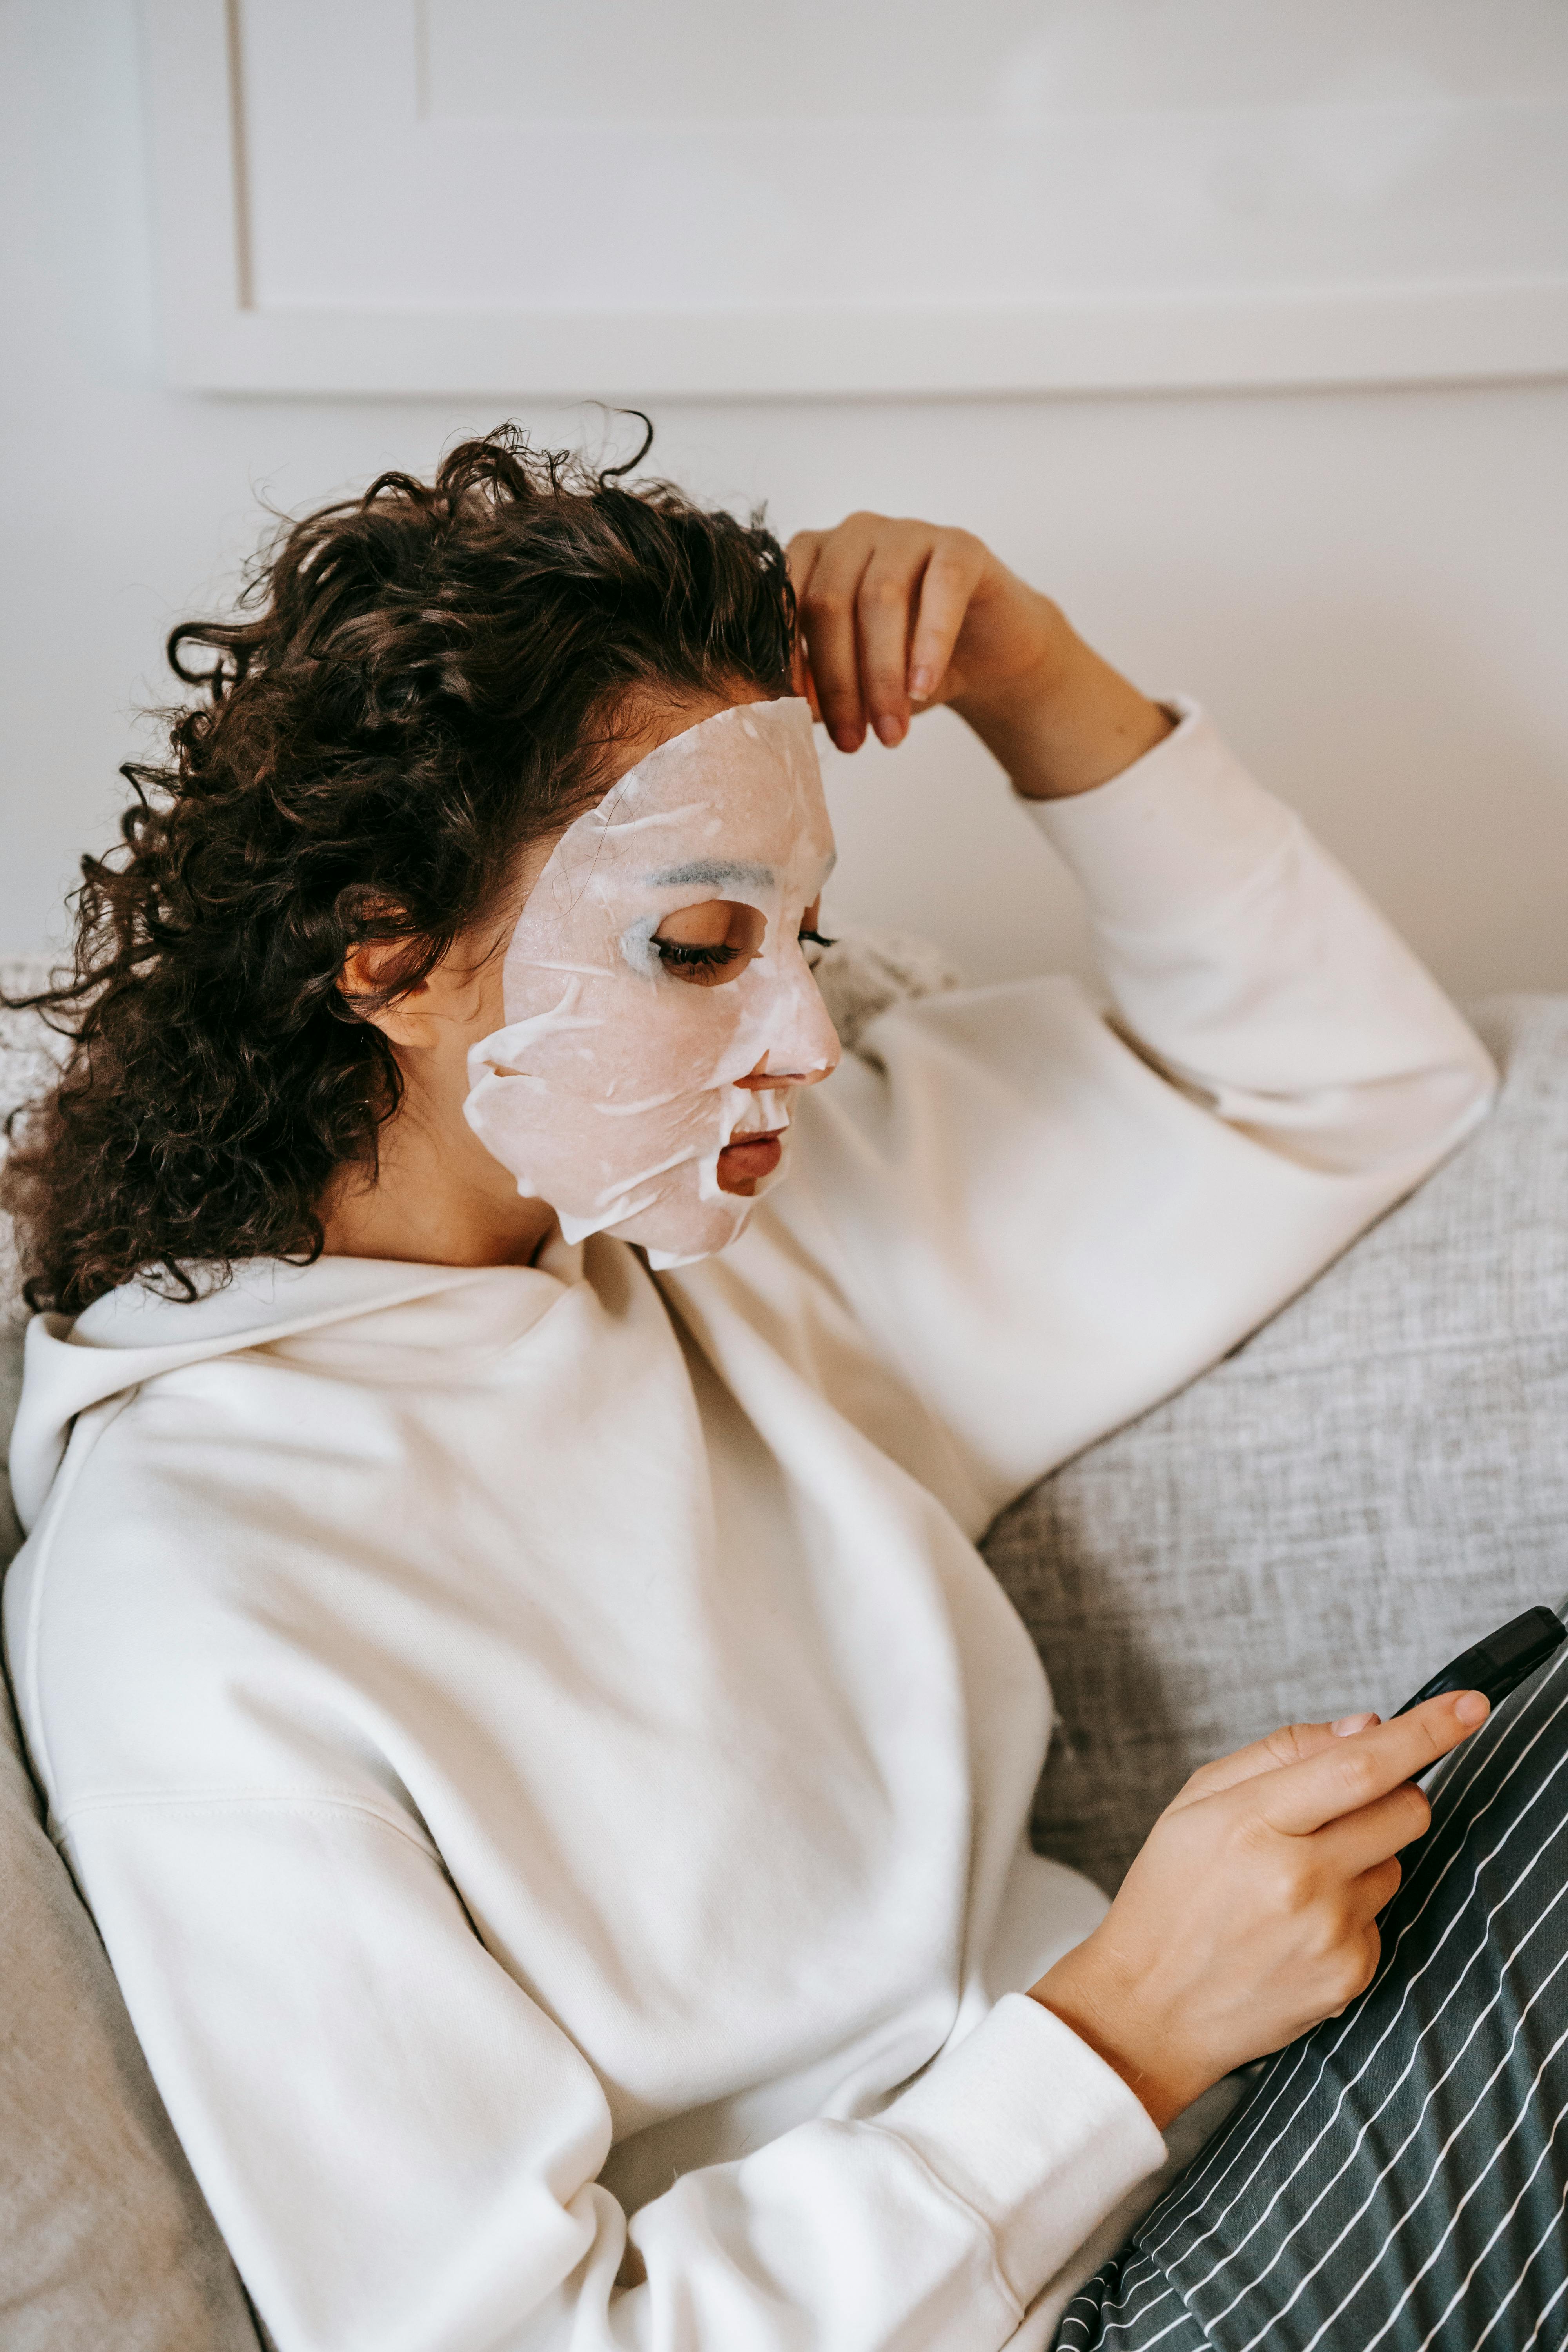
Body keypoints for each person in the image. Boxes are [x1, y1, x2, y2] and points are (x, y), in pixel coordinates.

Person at [1, 427, 1556, 2352]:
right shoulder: (197, 1607)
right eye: (698, 946)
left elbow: (1347, 1081)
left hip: (1254, 2152)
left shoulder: (707, 1249)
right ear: (385, 958)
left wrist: (1023, 667)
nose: (806, 1038)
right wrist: (1123, 2029)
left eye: (798, 940)